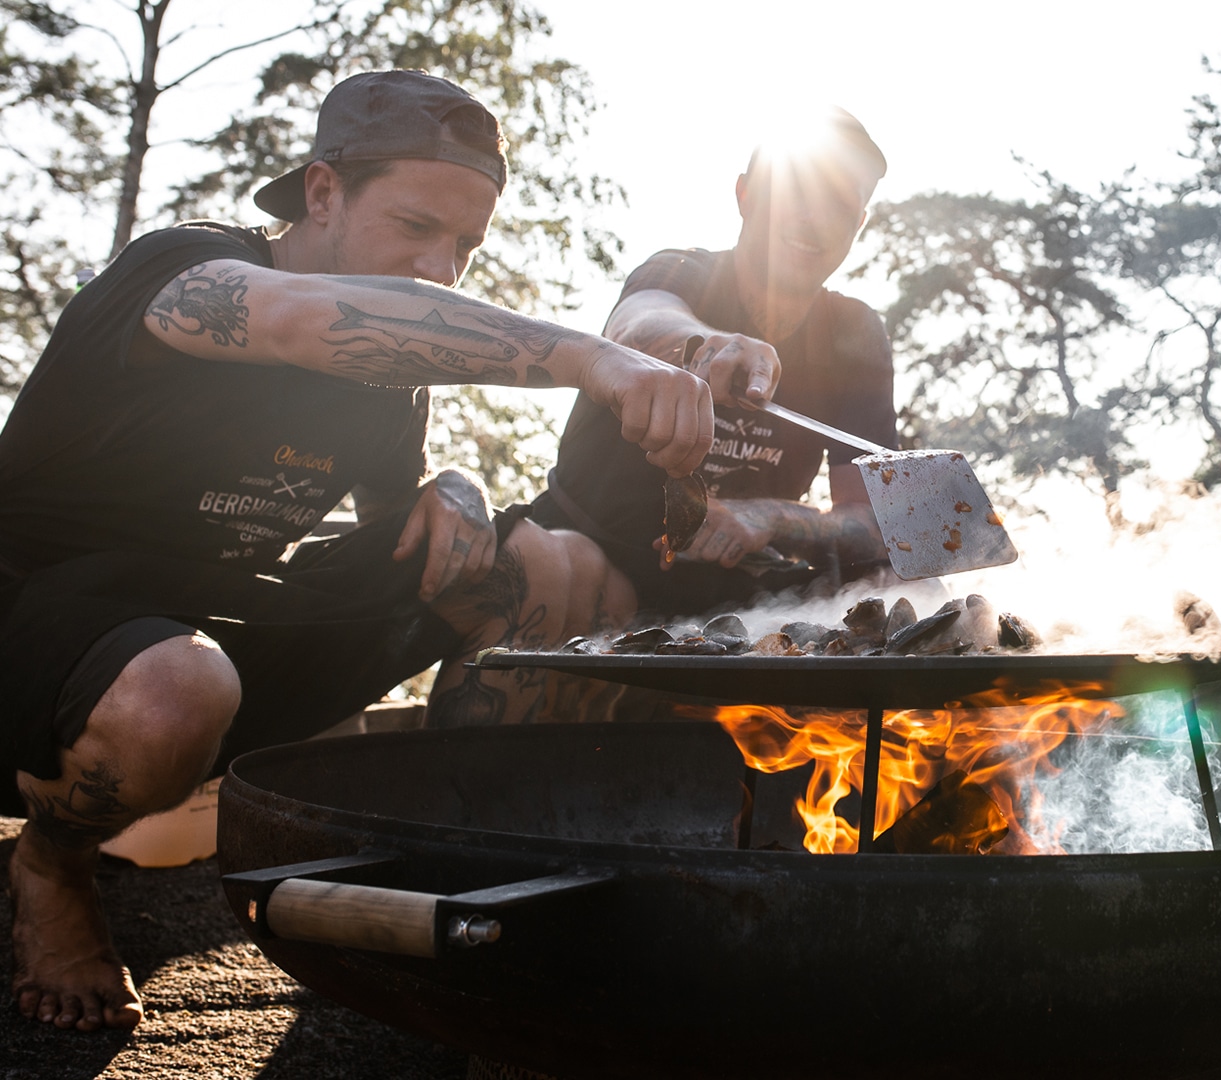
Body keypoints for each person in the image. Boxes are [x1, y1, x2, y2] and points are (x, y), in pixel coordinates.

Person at [0, 71, 768, 1032]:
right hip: (40, 631)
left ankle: (474, 880)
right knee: (177, 687)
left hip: (226, 633)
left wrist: (458, 489)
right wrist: (593, 357)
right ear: (322, 192)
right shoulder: (182, 270)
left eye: (464, 245)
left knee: (537, 564)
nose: (442, 268)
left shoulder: (384, 389)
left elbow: (395, 521)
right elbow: (301, 319)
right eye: (414, 226)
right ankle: (51, 862)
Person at [528, 107, 895, 620]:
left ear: (858, 223)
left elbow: (873, 523)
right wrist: (703, 344)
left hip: (735, 592)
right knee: (550, 562)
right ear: (745, 195)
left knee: (899, 584)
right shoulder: (680, 270)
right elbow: (637, 323)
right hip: (594, 547)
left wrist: (769, 517)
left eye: (838, 204)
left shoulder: (854, 334)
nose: (813, 220)